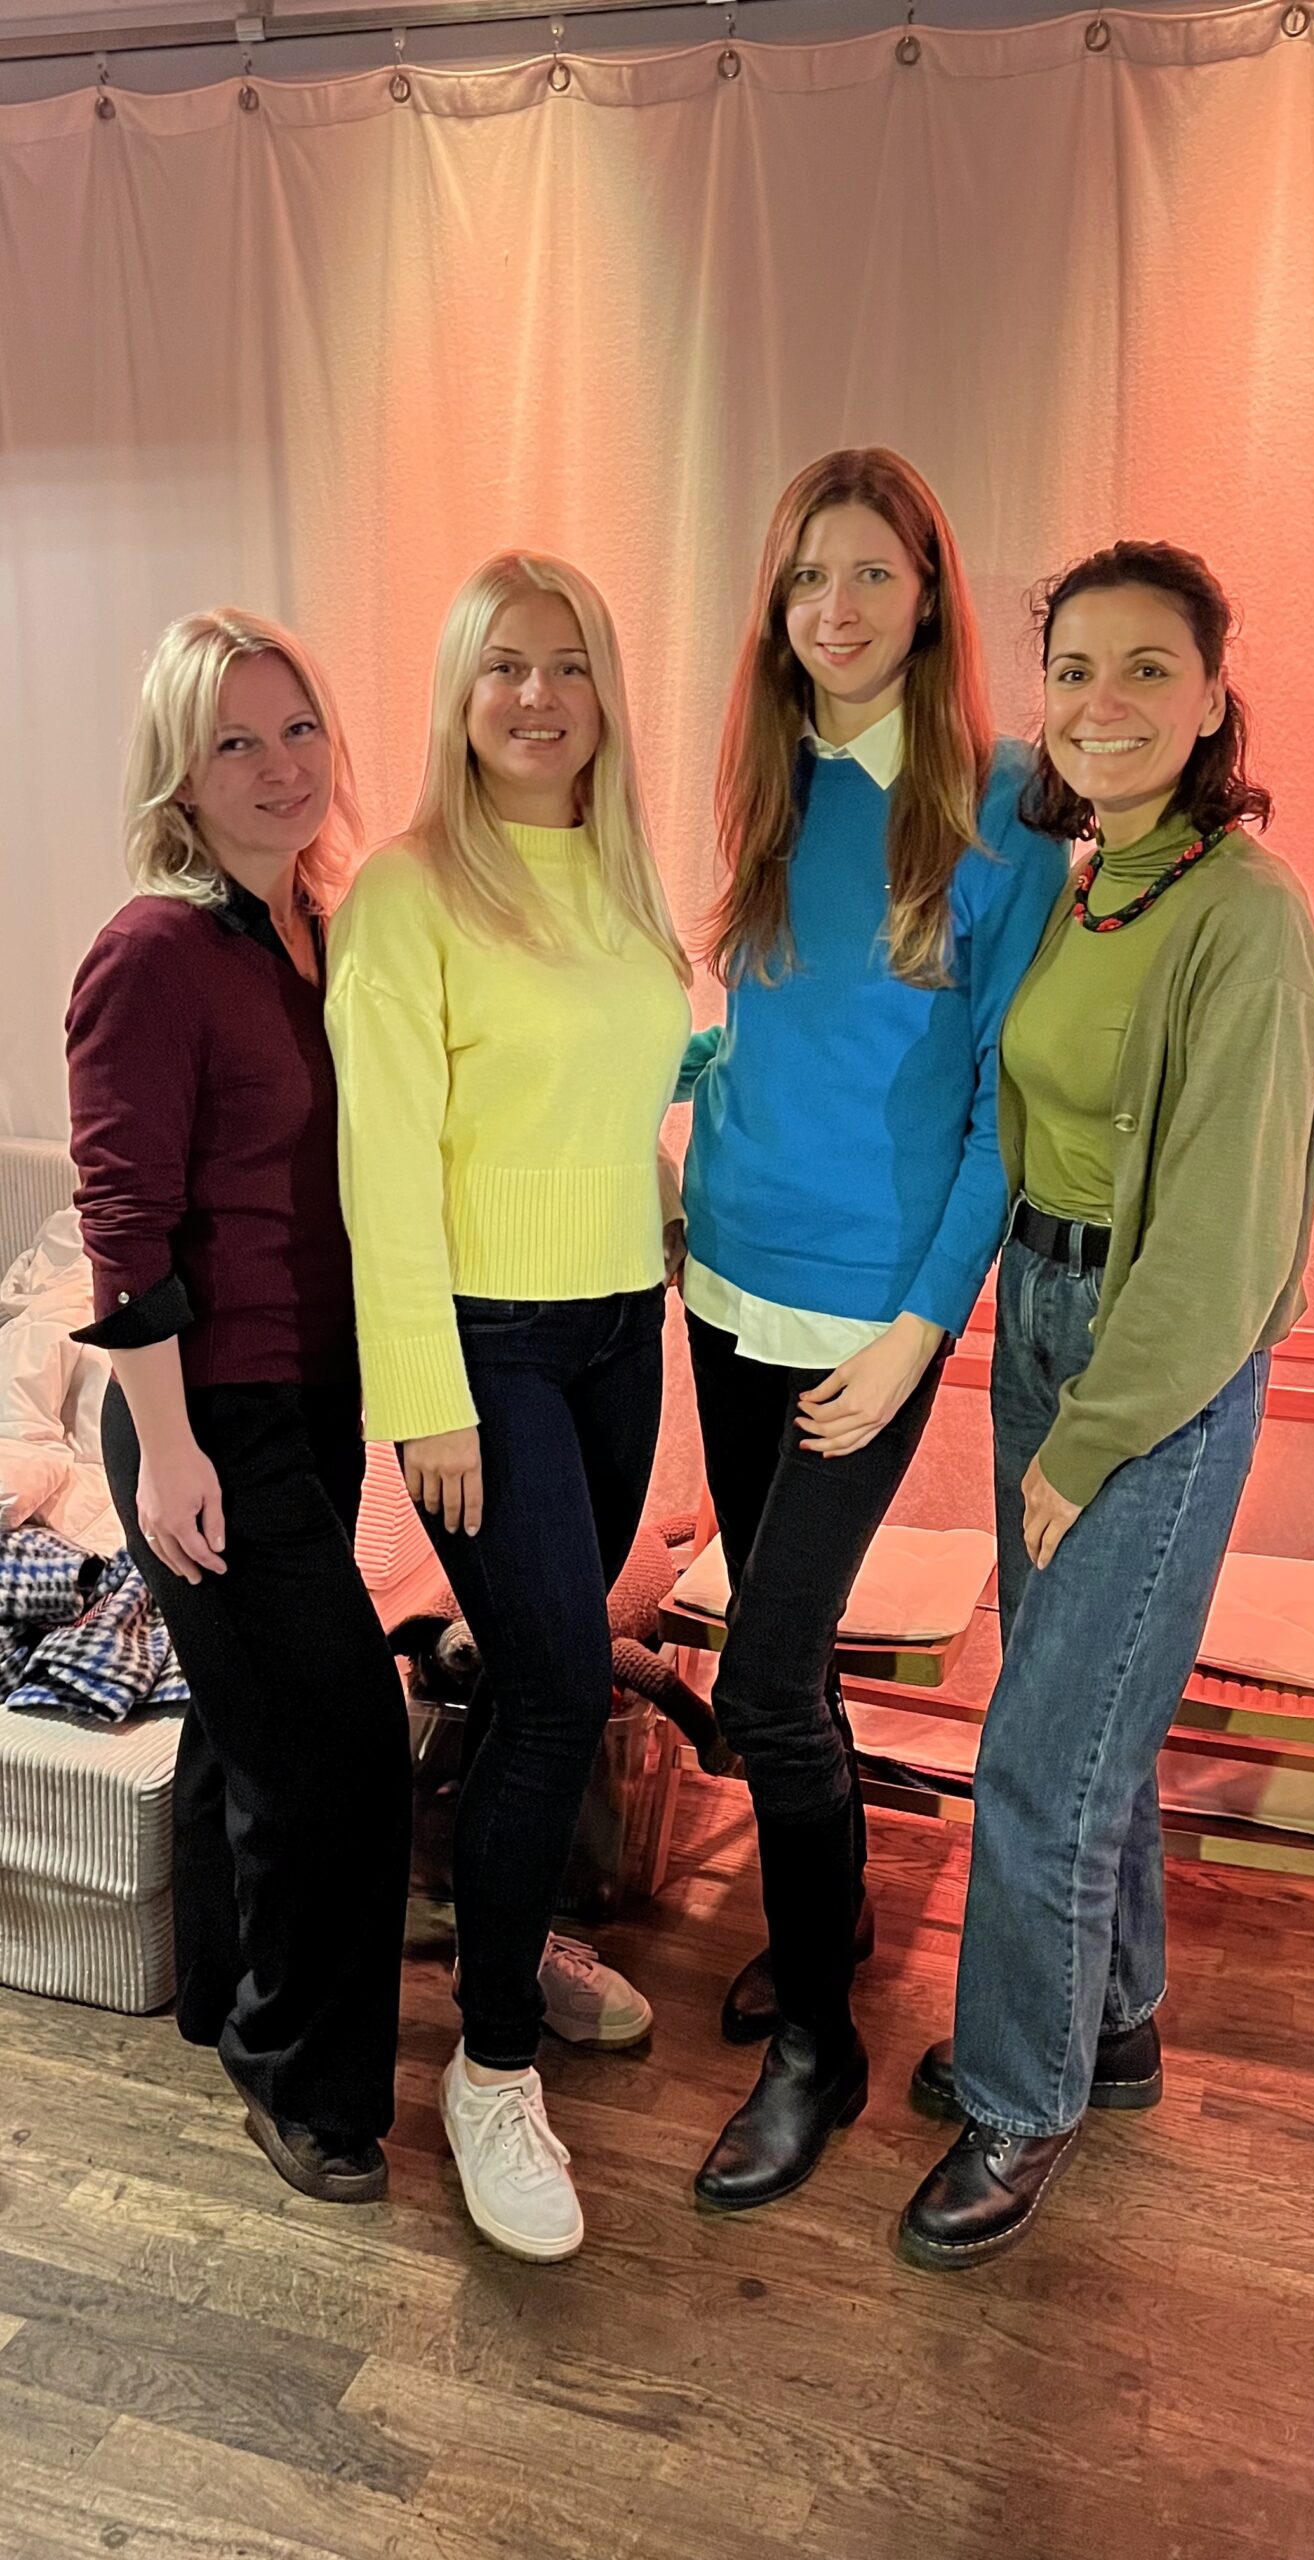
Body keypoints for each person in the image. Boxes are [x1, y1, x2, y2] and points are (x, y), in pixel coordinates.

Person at [899, 541, 1314, 2269]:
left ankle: (1023, 2098)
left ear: (1216, 699)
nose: (1104, 703)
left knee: (1039, 1755)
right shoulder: (1095, 881)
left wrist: (1091, 1437)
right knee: (1091, 1725)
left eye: (1150, 669)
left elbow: (1225, 1247)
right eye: (1074, 669)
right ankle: (1113, 2021)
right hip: (1042, 1311)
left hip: (1152, 1362)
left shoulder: (1247, 918)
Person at [677, 448, 1068, 2213]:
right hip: (722, 1283)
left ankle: (817, 2048)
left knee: (761, 1678)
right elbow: (773, 1029)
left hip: (866, 1322)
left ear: (929, 595)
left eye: (870, 574)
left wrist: (922, 1330)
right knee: (797, 1668)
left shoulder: (1006, 804)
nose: (833, 608)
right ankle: (818, 1930)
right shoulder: (769, 780)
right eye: (805, 577)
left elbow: (1003, 1113)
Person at [326, 553, 691, 2264]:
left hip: (622, 1328)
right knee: (554, 1689)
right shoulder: (406, 893)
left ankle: (511, 1930)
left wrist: (672, 1216)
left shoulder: (621, 880)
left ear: (605, 693)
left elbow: (616, 1101)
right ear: (459, 696)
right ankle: (487, 2069)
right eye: (503, 667)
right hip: (485, 1353)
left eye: (568, 665)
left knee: (555, 1669)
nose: (537, 697)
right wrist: (428, 1397)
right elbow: (385, 1166)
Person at [66, 610, 413, 2205]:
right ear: (180, 774)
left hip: (315, 1394)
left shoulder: (319, 931)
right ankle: (305, 2085)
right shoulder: (152, 952)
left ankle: (218, 1994)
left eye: (297, 730)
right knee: (343, 1755)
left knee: (249, 1720)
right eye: (234, 742)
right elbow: (123, 1221)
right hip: (207, 1410)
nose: (279, 768)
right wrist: (169, 1450)